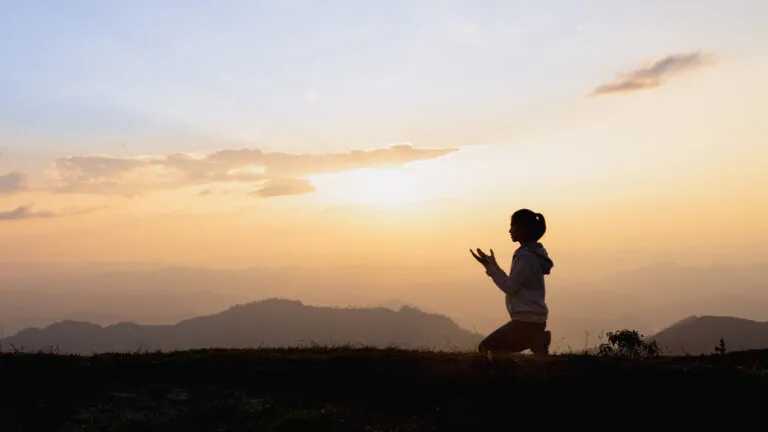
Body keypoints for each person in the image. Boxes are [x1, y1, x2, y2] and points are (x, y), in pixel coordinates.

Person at [470, 209, 554, 355]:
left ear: (523, 229)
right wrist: (492, 266)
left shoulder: (526, 257)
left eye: (513, 226)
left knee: (486, 349)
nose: (510, 230)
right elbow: (513, 282)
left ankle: (537, 339)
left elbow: (510, 287)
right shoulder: (530, 254)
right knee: (495, 350)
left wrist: (491, 268)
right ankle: (538, 339)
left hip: (526, 323)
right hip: (533, 321)